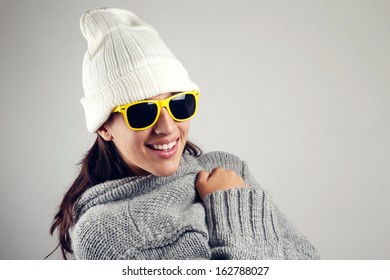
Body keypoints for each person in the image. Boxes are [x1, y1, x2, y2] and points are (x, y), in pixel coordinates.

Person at [49, 7, 320, 260]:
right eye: (142, 112)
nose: (166, 127)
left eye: (179, 104)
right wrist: (231, 203)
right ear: (105, 127)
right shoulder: (100, 233)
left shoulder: (226, 168)